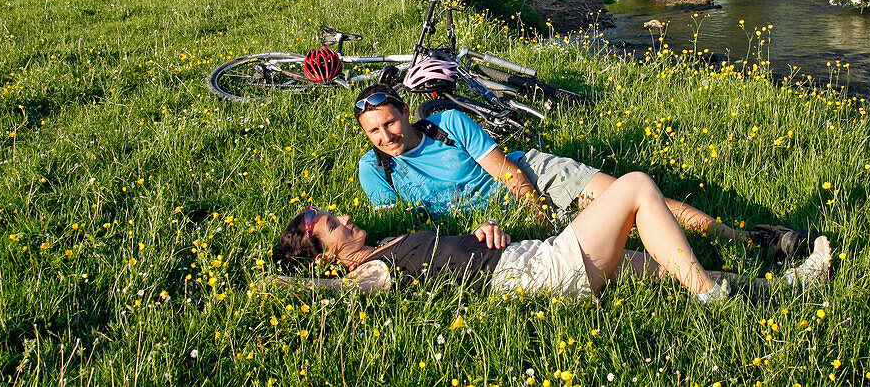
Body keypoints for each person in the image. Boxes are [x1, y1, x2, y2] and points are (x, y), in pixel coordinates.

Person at [353, 83, 810, 258]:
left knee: (632, 198)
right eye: (374, 131)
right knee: (616, 238)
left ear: (405, 112)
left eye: (390, 122)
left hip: (533, 178)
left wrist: (540, 214)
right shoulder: (375, 171)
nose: (385, 136)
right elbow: (410, 227)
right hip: (485, 227)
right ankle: (706, 268)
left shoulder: (448, 124)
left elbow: (507, 174)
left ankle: (739, 238)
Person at [274, 171, 833, 300]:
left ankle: (789, 288)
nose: (345, 219)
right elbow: (337, 294)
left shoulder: (388, 247)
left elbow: (446, 258)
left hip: (529, 257)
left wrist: (480, 230)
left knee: (667, 264)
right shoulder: (367, 271)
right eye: (333, 227)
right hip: (537, 272)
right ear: (326, 255)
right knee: (636, 186)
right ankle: (711, 300)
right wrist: (281, 287)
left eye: (337, 215)